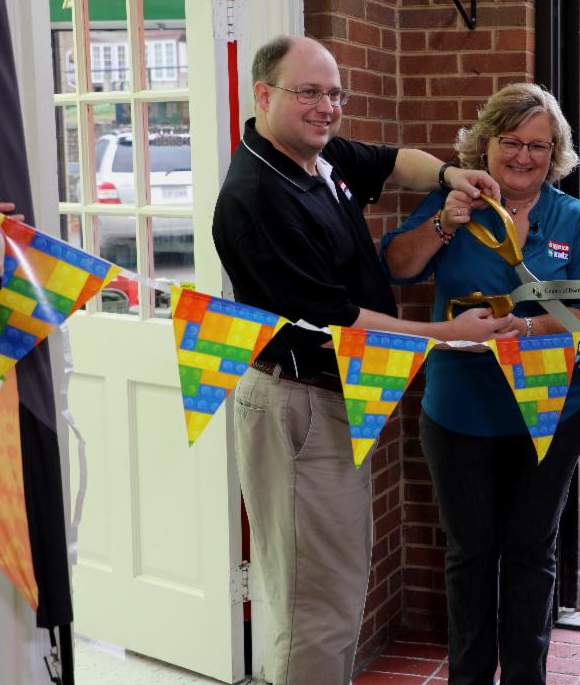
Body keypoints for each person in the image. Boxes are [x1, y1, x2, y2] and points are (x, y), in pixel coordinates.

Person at [212, 35, 516, 685]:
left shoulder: (315, 157)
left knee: (335, 587)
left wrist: (450, 175)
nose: (326, 107)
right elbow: (338, 321)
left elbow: (394, 161)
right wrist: (444, 333)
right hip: (299, 404)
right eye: (308, 92)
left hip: (332, 401)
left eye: (334, 94)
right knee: (315, 606)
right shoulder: (258, 197)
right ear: (263, 94)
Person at [383, 83, 580, 685]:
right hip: (460, 411)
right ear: (485, 144)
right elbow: (398, 267)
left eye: (539, 145)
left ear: (554, 153)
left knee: (532, 554)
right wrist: (443, 224)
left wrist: (525, 328)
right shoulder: (455, 203)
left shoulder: (573, 218)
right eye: (511, 141)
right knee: (470, 555)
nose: (524, 156)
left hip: (550, 413)